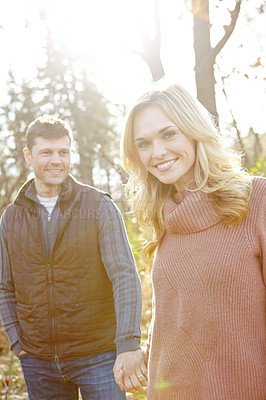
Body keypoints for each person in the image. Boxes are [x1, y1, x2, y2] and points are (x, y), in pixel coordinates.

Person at [114, 84, 266, 399]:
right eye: (143, 144)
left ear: (195, 132)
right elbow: (178, 314)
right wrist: (145, 351)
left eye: (169, 134)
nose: (157, 154)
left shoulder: (256, 200)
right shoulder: (162, 217)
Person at [0, 115, 147, 400]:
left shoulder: (99, 206)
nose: (57, 160)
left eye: (63, 152)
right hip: (38, 362)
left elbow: (125, 276)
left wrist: (128, 344)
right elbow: (4, 286)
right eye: (47, 152)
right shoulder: (11, 217)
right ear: (29, 155)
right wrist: (18, 341)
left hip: (99, 356)